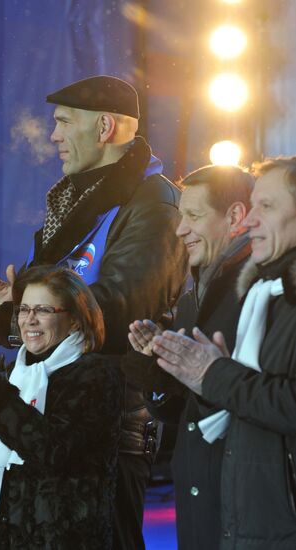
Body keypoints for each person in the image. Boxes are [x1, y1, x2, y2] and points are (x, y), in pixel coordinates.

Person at [0, 75, 187, 549]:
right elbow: (66, 298)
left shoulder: (152, 203)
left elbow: (124, 310)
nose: (53, 135)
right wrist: (11, 308)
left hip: (103, 434)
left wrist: (12, 325)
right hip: (47, 423)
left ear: (104, 127)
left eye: (63, 122)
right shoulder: (81, 200)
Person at [151, 156, 296, 549]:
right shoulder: (266, 294)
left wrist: (213, 374)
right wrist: (157, 371)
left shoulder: (264, 294)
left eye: (266, 206)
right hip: (243, 515)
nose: (251, 222)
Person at [122, 164, 254, 549]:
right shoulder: (191, 296)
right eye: (181, 216)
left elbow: (264, 401)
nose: (180, 230)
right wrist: (157, 374)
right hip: (199, 497)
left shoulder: (264, 291)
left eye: (193, 216)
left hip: (244, 500)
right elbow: (184, 417)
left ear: (235, 216)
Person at [0, 265, 120, 549]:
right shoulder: (15, 373)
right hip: (3, 533)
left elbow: (53, 451)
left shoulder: (93, 374)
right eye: (24, 310)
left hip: (63, 538)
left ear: (74, 320)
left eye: (44, 310)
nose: (29, 320)